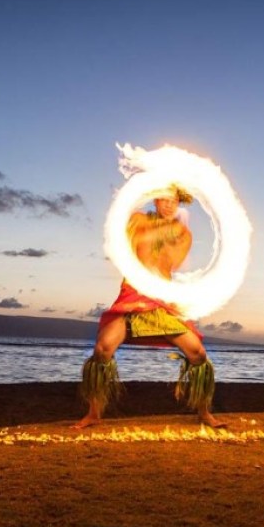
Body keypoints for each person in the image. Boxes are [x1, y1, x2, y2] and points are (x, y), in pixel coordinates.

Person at [75, 184, 225, 429]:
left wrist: (167, 232)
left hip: (160, 298)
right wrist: (143, 228)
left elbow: (173, 262)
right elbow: (119, 238)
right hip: (133, 295)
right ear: (154, 200)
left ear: (179, 204)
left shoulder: (183, 233)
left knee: (198, 354)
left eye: (173, 201)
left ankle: (204, 413)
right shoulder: (137, 220)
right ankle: (94, 413)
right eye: (163, 200)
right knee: (102, 349)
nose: (168, 205)